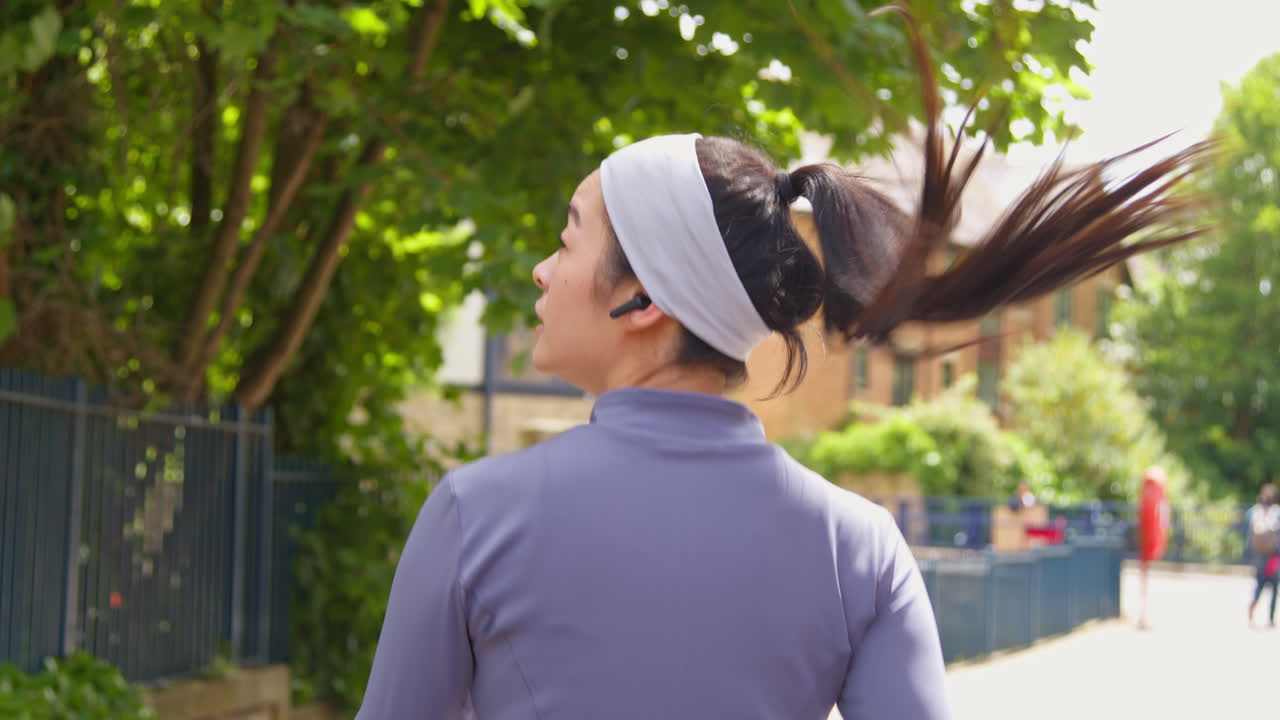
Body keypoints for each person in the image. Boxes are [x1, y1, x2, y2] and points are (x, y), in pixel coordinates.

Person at [355, 11, 1212, 720]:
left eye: (568, 238)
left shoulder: (473, 515)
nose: (542, 269)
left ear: (641, 299)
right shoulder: (862, 548)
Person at [1246, 483, 1280, 627]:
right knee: (1274, 586)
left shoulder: (1254, 511)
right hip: (1274, 555)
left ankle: (1253, 604)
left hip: (1258, 554)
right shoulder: (1277, 511)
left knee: (1259, 583)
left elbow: (1246, 530)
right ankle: (1271, 618)